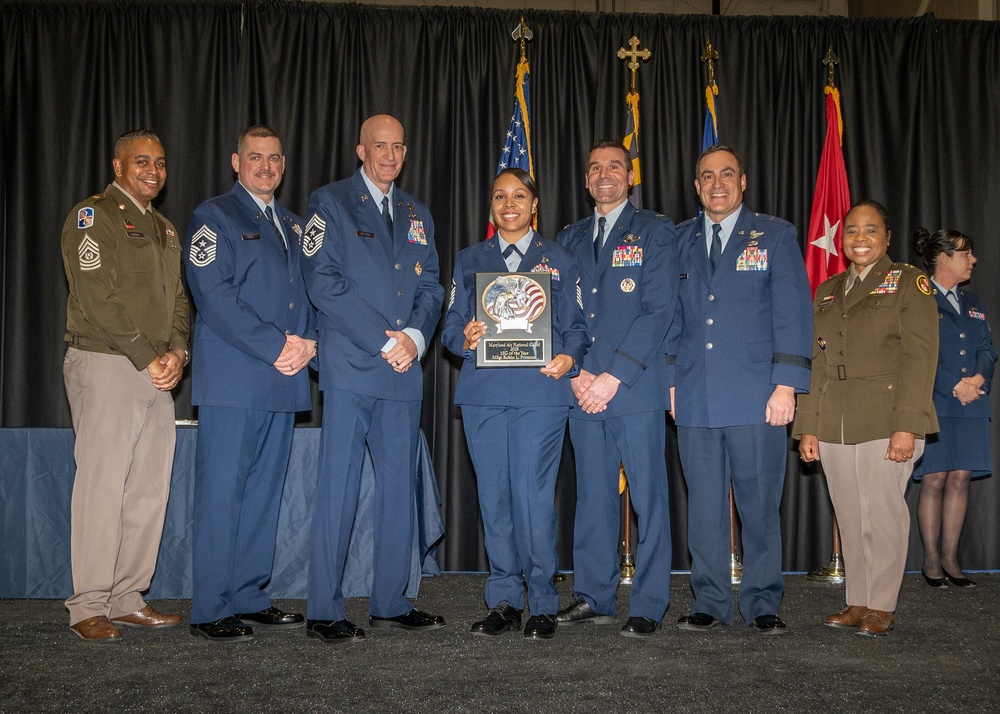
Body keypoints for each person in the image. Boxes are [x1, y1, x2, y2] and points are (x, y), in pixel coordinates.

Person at [301, 114, 446, 643]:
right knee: (338, 489)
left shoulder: (417, 213)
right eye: (378, 146)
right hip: (353, 368)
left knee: (399, 494)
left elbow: (432, 286)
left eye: (397, 147)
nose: (389, 155)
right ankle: (323, 611)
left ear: (405, 153)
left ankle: (389, 601)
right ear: (360, 150)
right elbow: (323, 282)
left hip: (405, 371)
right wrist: (386, 340)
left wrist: (416, 337)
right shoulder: (329, 203)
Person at [666, 145, 812, 635]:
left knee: (758, 504)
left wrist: (787, 384)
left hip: (757, 395)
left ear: (743, 181)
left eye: (727, 174)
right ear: (696, 186)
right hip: (694, 392)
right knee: (704, 507)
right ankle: (709, 600)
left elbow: (794, 314)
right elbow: (672, 319)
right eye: (707, 176)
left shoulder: (774, 235)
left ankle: (763, 601)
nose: (717, 184)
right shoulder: (680, 239)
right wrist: (669, 379)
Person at [442, 169, 589, 639]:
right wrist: (463, 337)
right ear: (491, 206)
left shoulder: (561, 258)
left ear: (534, 204)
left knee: (532, 496)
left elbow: (579, 327)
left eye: (519, 196)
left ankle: (543, 602)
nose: (510, 204)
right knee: (495, 497)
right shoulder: (470, 260)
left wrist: (569, 357)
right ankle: (504, 600)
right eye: (501, 197)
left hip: (541, 394)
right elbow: (447, 327)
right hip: (484, 395)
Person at [185, 125, 317, 641]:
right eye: (255, 157)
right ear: (236, 163)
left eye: (275, 159)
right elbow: (213, 296)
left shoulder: (294, 224)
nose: (266, 166)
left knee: (265, 494)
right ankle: (212, 607)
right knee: (223, 494)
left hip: (283, 382)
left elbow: (311, 294)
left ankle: (248, 594)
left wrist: (309, 345)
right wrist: (277, 345)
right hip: (235, 381)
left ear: (283, 165)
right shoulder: (212, 216)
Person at [60, 129, 190, 642]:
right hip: (107, 362)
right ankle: (87, 604)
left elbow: (180, 300)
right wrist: (148, 355)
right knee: (102, 485)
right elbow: (95, 295)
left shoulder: (166, 229)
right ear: (117, 166)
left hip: (157, 372)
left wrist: (178, 352)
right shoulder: (92, 216)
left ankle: (127, 596)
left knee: (147, 489)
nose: (153, 171)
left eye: (160, 162)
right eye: (141, 161)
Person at [794, 200, 939, 637]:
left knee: (883, 513)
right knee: (850, 513)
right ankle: (858, 600)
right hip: (836, 416)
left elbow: (920, 358)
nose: (860, 238)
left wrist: (907, 425)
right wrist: (809, 426)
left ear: (887, 237)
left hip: (886, 415)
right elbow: (818, 363)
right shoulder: (829, 289)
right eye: (852, 230)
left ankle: (882, 605)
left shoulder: (909, 282)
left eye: (870, 229)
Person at [555, 140, 679, 638]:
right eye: (595, 169)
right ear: (586, 181)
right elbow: (565, 315)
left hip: (634, 387)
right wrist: (578, 374)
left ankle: (649, 602)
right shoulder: (568, 238)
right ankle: (593, 595)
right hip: (583, 388)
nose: (605, 175)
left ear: (630, 176)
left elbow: (659, 311)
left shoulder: (656, 231)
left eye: (614, 167)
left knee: (650, 497)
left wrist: (613, 377)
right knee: (592, 497)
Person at [911, 228, 995, 589]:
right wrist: (953, 385)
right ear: (943, 258)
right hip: (936, 401)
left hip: (971, 402)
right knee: (935, 478)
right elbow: (916, 353)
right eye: (965, 254)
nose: (973, 260)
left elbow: (988, 348)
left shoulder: (974, 302)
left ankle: (951, 557)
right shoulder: (918, 296)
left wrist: (978, 380)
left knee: (961, 478)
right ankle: (931, 559)